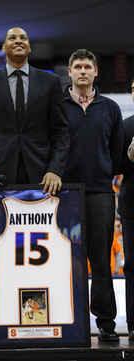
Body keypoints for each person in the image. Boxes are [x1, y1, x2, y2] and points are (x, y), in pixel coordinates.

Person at [62, 49, 124, 342]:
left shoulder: (110, 107)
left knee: (101, 261)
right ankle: (69, 321)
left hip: (100, 191)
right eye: (78, 66)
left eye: (88, 66)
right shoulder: (57, 105)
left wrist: (103, 174)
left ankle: (106, 322)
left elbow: (116, 153)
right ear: (70, 72)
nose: (83, 71)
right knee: (67, 260)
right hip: (63, 193)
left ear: (96, 71)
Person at [0, 27, 69, 196]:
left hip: (43, 174)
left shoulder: (50, 81)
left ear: (29, 47)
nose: (18, 40)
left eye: (23, 38)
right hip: (0, 175)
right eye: (12, 38)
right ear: (3, 47)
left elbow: (61, 132)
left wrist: (55, 170)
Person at [118, 77, 134, 340]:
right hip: (133, 202)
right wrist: (129, 158)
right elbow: (114, 165)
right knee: (133, 264)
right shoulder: (125, 126)